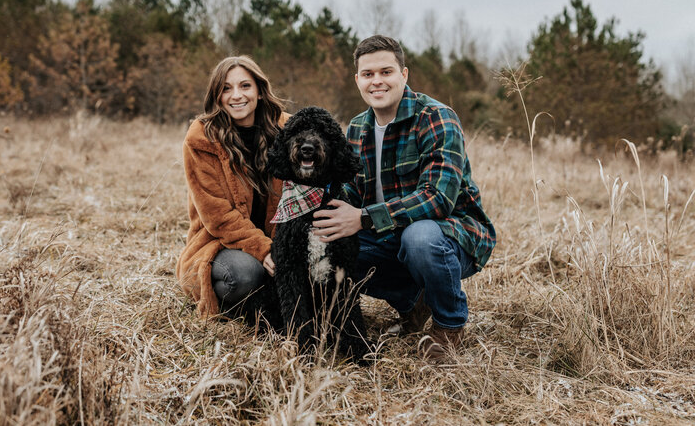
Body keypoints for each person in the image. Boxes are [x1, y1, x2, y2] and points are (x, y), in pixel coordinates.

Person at [313, 35, 496, 360]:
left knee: (419, 237)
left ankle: (449, 325)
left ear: (404, 74)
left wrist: (363, 218)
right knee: (331, 247)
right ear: (358, 80)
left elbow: (438, 199)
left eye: (386, 71)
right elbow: (351, 195)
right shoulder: (357, 129)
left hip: (452, 235)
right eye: (368, 74)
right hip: (389, 236)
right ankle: (413, 303)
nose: (377, 81)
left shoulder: (437, 118)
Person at [177, 55, 288, 322]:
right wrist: (263, 250)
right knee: (247, 274)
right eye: (226, 88)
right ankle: (230, 303)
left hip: (278, 239)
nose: (236, 95)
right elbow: (217, 216)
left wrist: (283, 248)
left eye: (245, 86)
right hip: (220, 243)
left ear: (260, 91)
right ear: (217, 95)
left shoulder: (287, 129)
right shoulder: (202, 138)